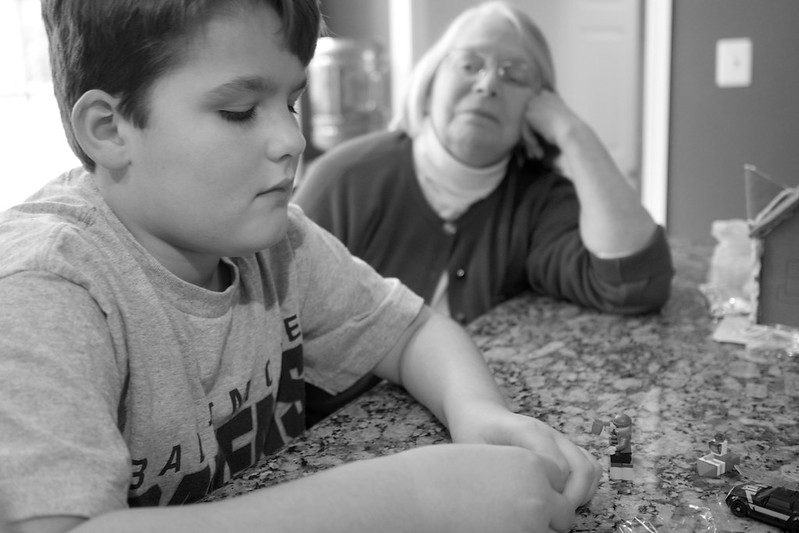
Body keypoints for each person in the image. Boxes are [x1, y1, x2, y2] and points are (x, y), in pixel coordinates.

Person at [0, 1, 601, 532]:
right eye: (240, 110)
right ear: (109, 129)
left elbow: (412, 331)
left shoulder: (277, 243)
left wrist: (480, 413)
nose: (293, 138)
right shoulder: (46, 289)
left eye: (290, 102)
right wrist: (412, 499)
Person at [294, 1, 674, 326]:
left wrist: (573, 131)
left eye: (514, 74)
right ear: (430, 81)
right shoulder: (344, 178)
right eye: (470, 65)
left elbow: (633, 285)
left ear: (539, 105)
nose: (488, 84)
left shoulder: (541, 200)